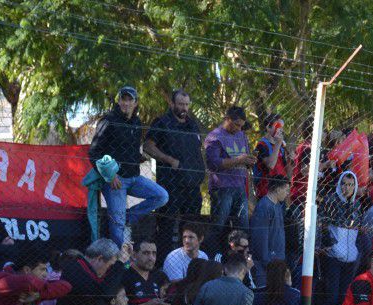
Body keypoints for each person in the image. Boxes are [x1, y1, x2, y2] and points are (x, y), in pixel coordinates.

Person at [88, 86, 169, 246]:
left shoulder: (137, 122)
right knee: (117, 226)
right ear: (118, 101)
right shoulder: (108, 121)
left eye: (129, 99)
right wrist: (110, 176)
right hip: (115, 181)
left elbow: (127, 148)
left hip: (134, 177)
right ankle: (118, 261)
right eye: (122, 99)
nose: (125, 103)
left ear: (135, 102)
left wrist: (138, 157)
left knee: (162, 196)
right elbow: (94, 152)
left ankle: (128, 217)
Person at [144, 89, 206, 256]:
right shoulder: (162, 122)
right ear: (172, 104)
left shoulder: (192, 124)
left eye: (186, 104)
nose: (184, 108)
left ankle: (190, 261)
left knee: (192, 225)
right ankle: (163, 262)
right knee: (166, 225)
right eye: (180, 104)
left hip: (192, 185)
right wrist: (169, 160)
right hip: (170, 184)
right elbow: (148, 146)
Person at [53, 239, 129, 305]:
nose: (110, 271)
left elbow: (113, 281)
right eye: (110, 266)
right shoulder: (75, 269)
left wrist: (124, 262)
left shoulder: (85, 270)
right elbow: (105, 293)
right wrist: (121, 262)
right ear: (99, 259)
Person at [204, 105, 255, 254]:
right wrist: (239, 159)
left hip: (240, 187)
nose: (239, 129)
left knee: (243, 227)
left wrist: (249, 161)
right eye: (237, 124)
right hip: (221, 188)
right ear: (227, 119)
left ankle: (241, 259)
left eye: (241, 126)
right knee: (219, 226)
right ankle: (214, 257)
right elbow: (214, 164)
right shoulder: (214, 137)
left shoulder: (241, 135)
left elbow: (243, 159)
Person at [319, 171, 361, 305]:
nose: (347, 188)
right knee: (331, 298)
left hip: (350, 260)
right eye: (344, 183)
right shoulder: (330, 201)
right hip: (333, 258)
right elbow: (322, 225)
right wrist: (332, 246)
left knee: (343, 298)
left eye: (351, 184)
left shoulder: (357, 205)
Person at [249, 175, 289, 284]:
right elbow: (260, 238)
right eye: (286, 190)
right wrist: (267, 263)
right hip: (266, 267)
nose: (288, 193)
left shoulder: (277, 206)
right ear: (277, 189)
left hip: (277, 264)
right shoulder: (264, 206)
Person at [253, 113, 289, 200]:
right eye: (278, 126)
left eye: (282, 127)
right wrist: (278, 143)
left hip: (281, 192)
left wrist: (291, 160)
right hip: (266, 192)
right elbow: (271, 165)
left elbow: (287, 170)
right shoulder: (261, 145)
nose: (281, 130)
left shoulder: (281, 147)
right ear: (268, 127)